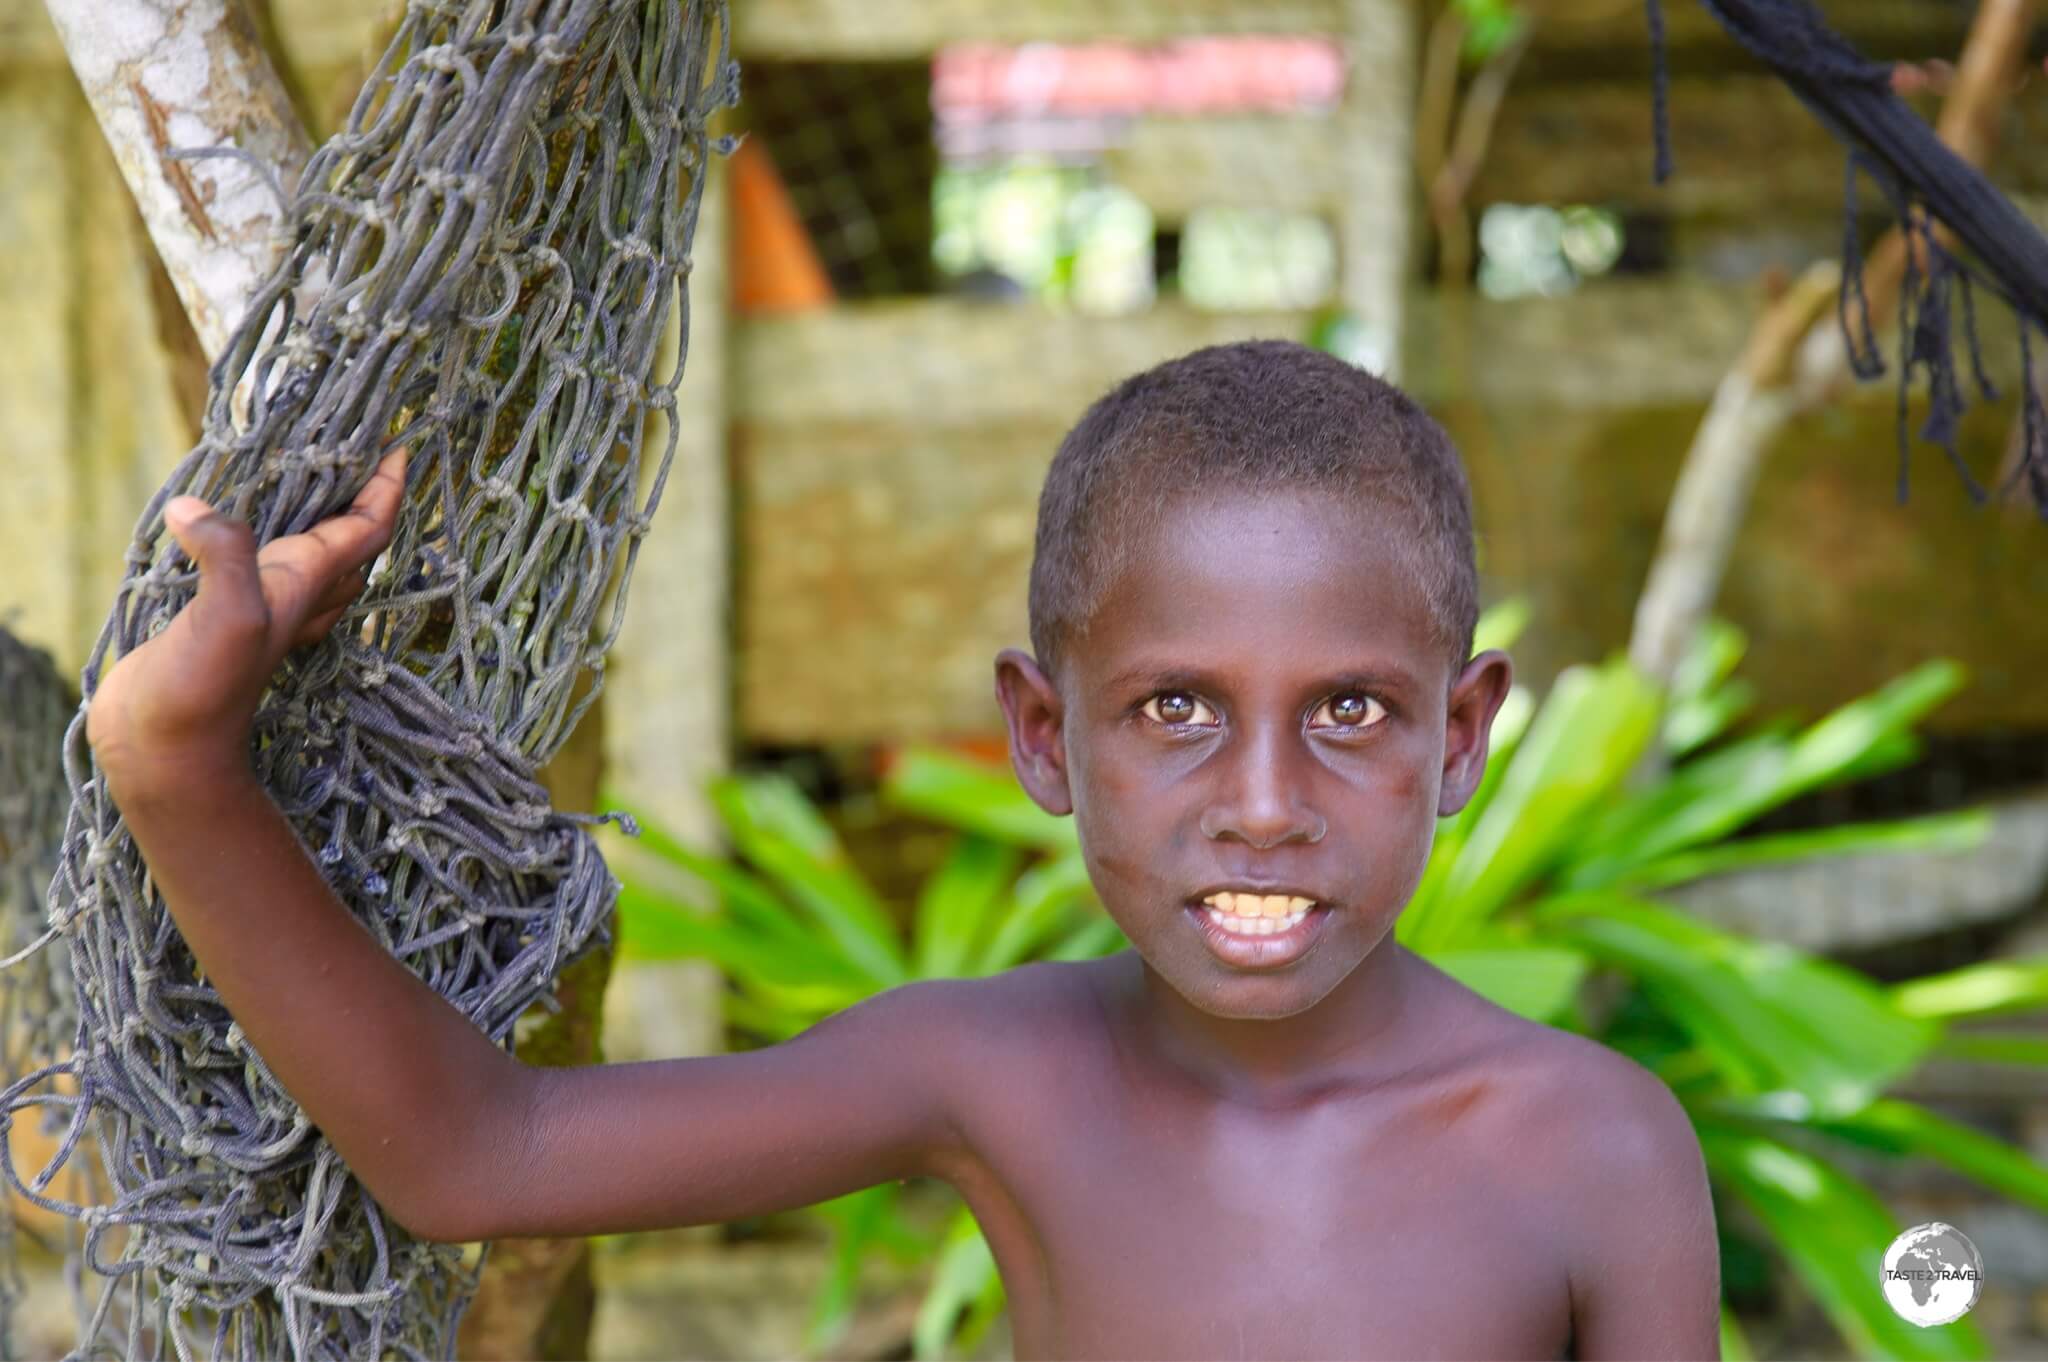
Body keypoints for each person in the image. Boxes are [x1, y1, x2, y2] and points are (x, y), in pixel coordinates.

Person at [86, 339, 1721, 1360]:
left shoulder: (1592, 1144)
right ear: (1041, 736)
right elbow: (474, 1157)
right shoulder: (997, 1073)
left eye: (1352, 712)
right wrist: (177, 769)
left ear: (1459, 734)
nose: (1267, 799)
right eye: (1175, 709)